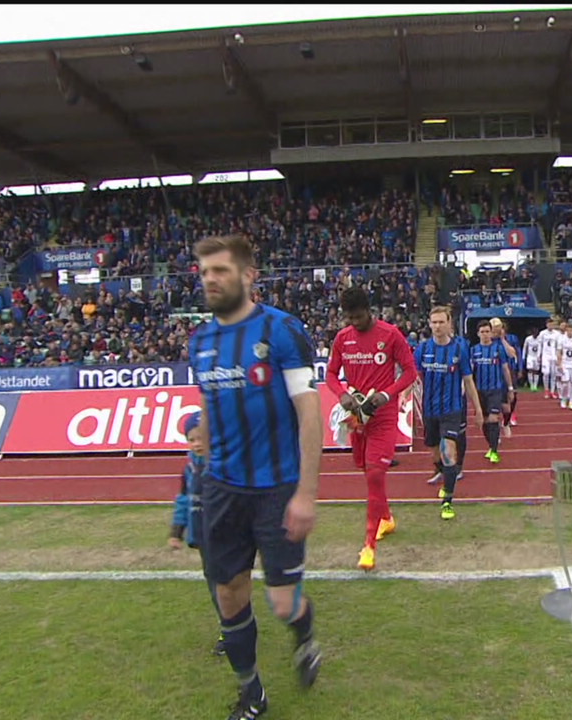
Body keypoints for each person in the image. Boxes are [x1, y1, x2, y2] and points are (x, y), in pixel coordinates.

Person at [188, 234, 323, 720]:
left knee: (284, 602)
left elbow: (310, 414)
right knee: (228, 592)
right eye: (204, 272)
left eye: (220, 270)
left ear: (248, 276)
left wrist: (306, 494)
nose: (210, 279)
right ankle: (252, 693)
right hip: (222, 487)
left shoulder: (282, 331)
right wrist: (201, 437)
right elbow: (208, 401)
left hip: (277, 488)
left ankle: (304, 637)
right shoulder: (200, 341)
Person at [325, 286, 418, 572]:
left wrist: (387, 394)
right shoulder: (343, 338)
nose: (355, 322)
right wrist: (341, 393)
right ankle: (386, 518)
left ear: (370, 311)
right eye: (350, 318)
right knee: (364, 468)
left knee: (376, 473)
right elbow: (330, 373)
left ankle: (369, 547)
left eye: (359, 316)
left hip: (384, 416)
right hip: (357, 416)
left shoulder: (390, 335)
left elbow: (411, 371)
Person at [416, 306, 482, 520]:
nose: (437, 326)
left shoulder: (459, 350)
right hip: (430, 410)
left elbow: (468, 380)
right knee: (435, 453)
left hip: (452, 410)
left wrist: (477, 409)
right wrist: (401, 395)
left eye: (441, 322)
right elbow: (413, 375)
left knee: (448, 452)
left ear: (449, 323)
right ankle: (444, 474)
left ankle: (448, 501)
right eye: (433, 322)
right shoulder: (422, 349)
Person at [169, 411, 225, 658]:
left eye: (202, 438)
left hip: (225, 534)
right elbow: (182, 501)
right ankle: (228, 628)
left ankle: (237, 627)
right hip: (202, 536)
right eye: (192, 439)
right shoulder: (188, 470)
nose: (198, 444)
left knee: (229, 582)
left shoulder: (224, 465)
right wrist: (176, 532)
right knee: (214, 583)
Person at [472, 320, 514, 464]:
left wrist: (510, 388)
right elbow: (469, 373)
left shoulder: (498, 349)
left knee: (493, 418)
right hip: (479, 390)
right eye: (482, 332)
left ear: (491, 333)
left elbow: (505, 368)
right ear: (478, 334)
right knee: (483, 420)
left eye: (487, 331)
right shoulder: (474, 350)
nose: (485, 334)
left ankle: (495, 451)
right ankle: (491, 445)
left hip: (495, 389)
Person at [557, 322, 572, 410]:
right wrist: (559, 364)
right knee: (565, 383)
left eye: (571, 330)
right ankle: (564, 398)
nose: (570, 332)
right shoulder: (561, 339)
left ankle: (571, 401)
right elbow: (559, 352)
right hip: (565, 363)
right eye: (568, 330)